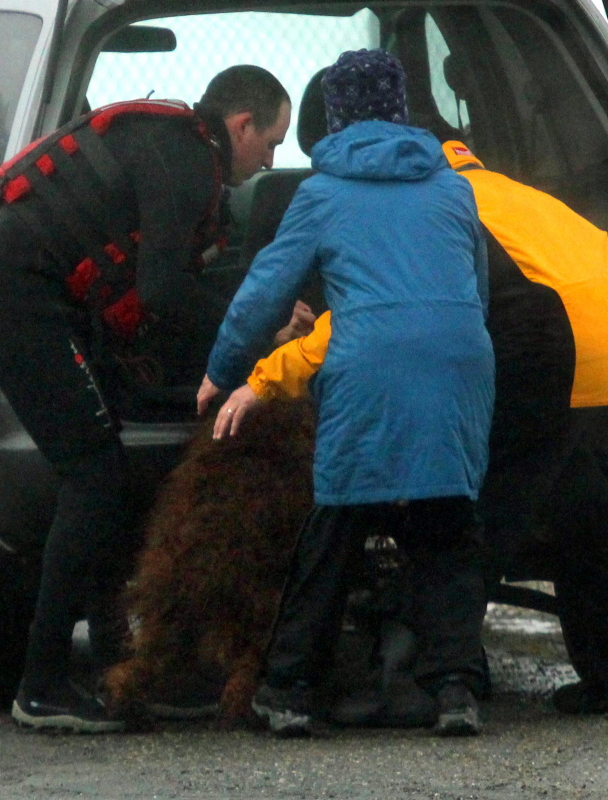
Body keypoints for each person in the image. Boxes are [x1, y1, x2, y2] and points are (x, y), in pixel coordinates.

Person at [215, 135, 608, 718]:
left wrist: (271, 371)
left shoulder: (432, 201)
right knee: (583, 502)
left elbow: (380, 315)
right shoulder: (504, 191)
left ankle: (413, 681)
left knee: (470, 510)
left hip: (554, 342)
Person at [0, 64, 292, 732]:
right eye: (272, 142)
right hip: (16, 307)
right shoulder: (189, 162)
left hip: (39, 304)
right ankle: (43, 684)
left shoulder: (176, 148)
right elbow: (164, 292)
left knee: (101, 472)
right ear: (241, 125)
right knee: (93, 475)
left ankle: (122, 668)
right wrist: (259, 326)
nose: (270, 161)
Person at [198, 49, 495, 738]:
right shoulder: (452, 186)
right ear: (400, 112)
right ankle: (454, 689)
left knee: (336, 524)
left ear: (333, 119)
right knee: (446, 524)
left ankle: (290, 688)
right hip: (458, 359)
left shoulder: (322, 194)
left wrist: (221, 371)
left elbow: (263, 291)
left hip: (368, 365)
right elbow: (474, 289)